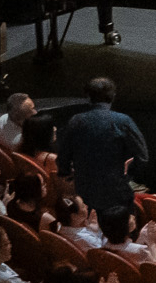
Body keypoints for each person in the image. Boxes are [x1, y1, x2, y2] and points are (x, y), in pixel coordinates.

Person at [57, 79, 146, 237]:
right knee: (122, 236)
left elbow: (63, 156)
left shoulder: (76, 121)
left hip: (84, 190)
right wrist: (128, 175)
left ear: (88, 97)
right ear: (113, 97)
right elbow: (142, 157)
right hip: (115, 192)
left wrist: (67, 173)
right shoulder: (123, 121)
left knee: (91, 235)